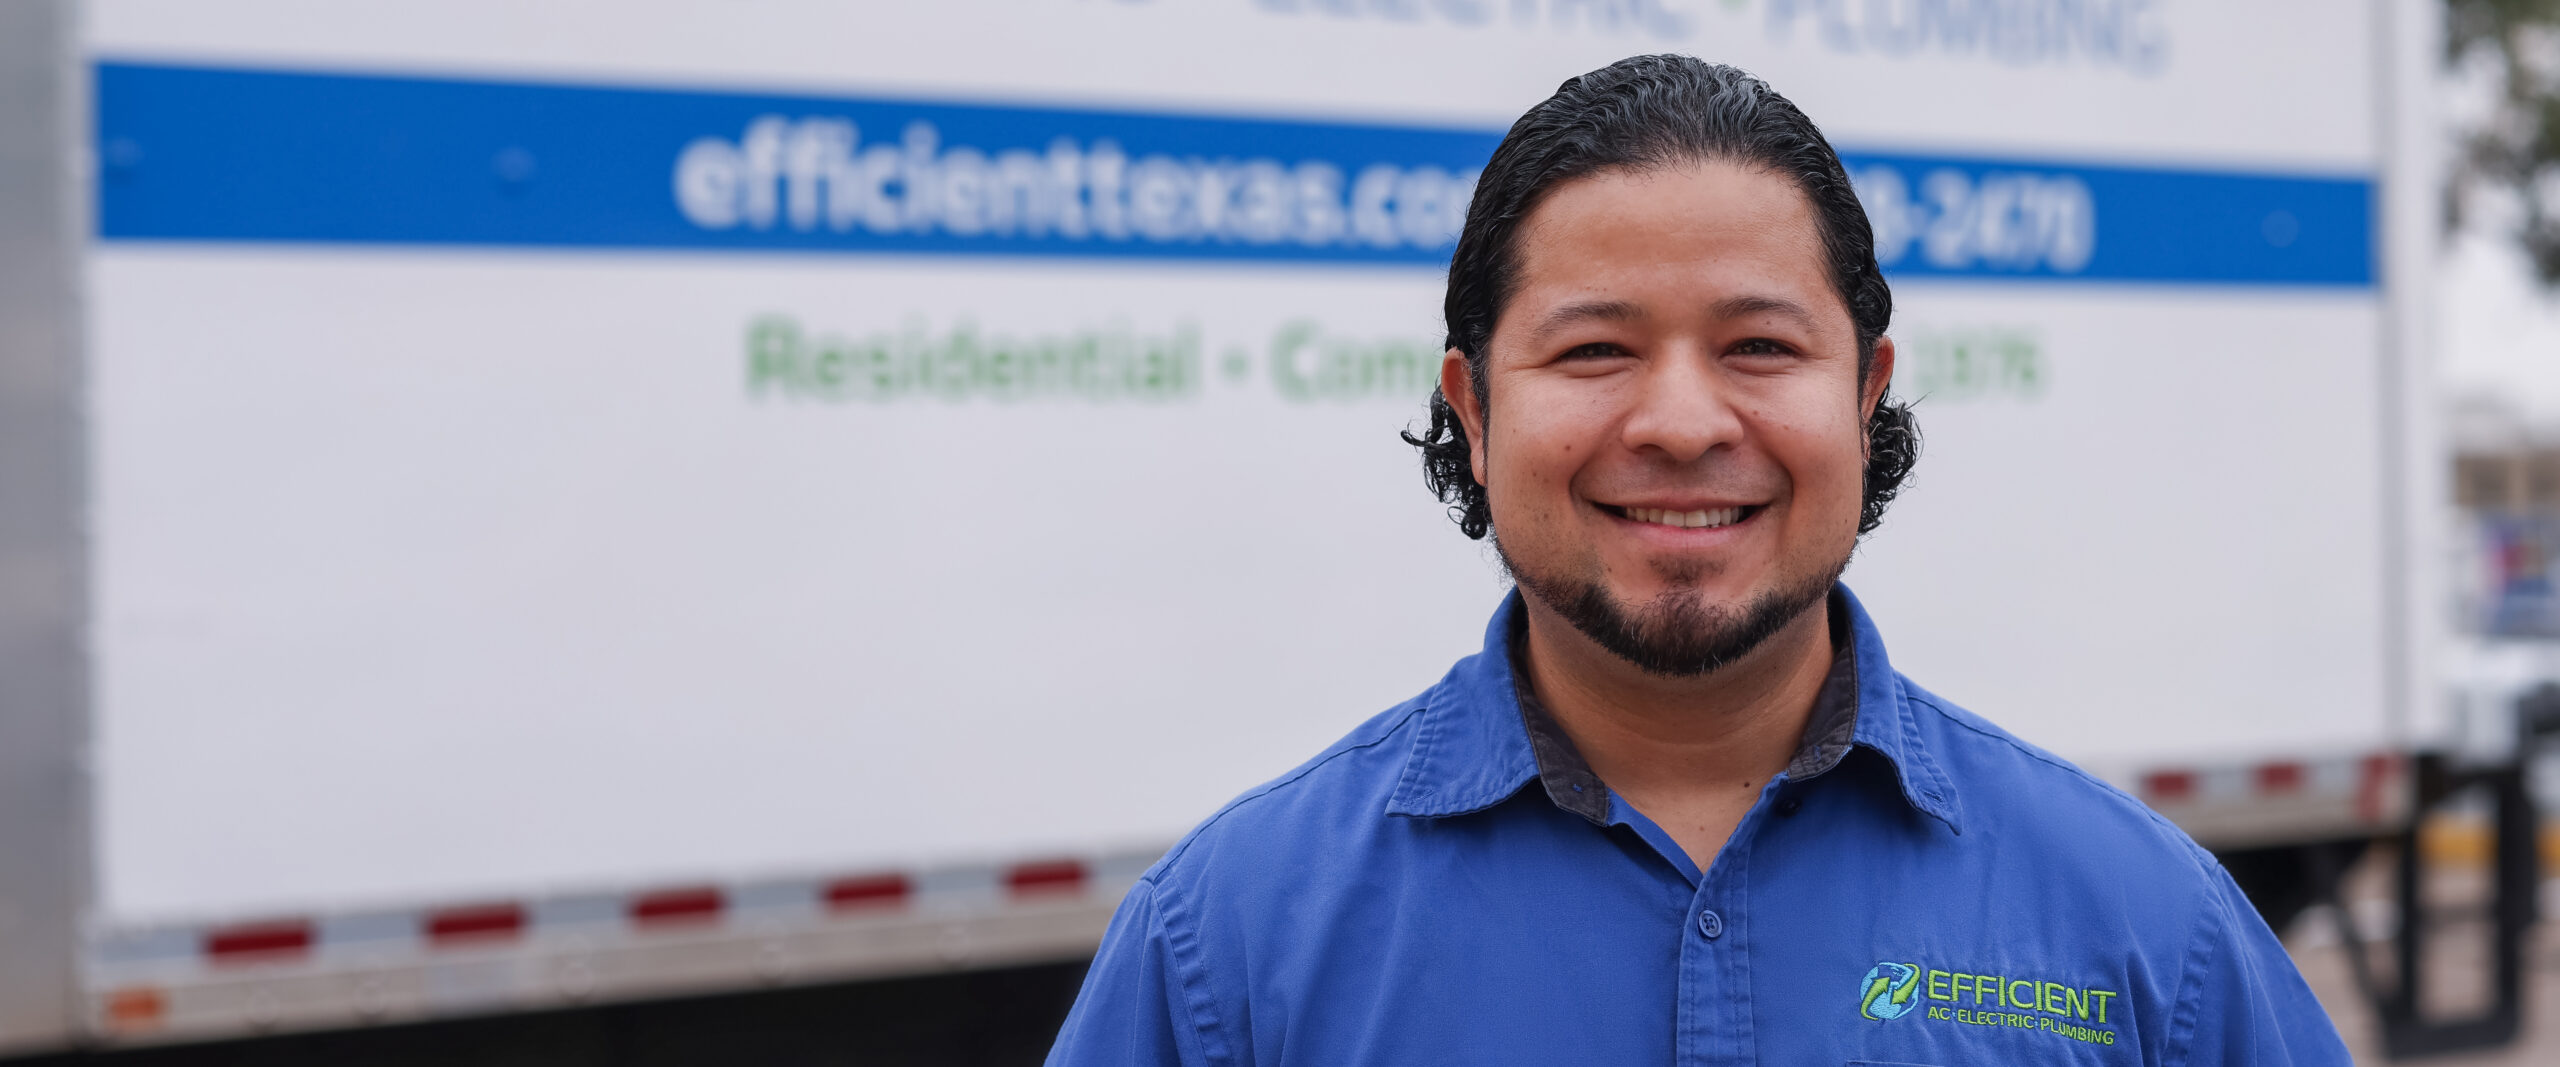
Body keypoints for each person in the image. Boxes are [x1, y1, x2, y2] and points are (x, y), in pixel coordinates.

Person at [1046, 54, 2349, 1066]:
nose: (1680, 422)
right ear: (1475, 410)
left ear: (1865, 395)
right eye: (1596, 350)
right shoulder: (1226, 949)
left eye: (1761, 348)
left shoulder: (2144, 930)